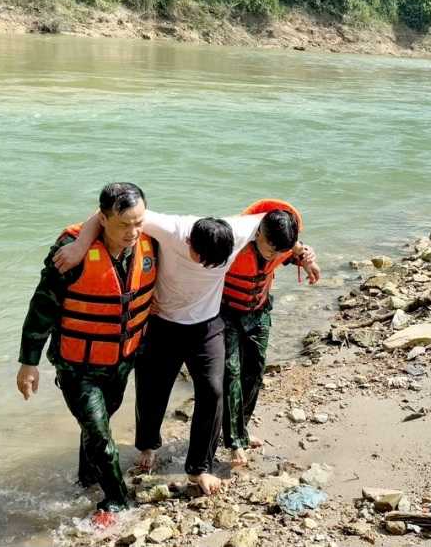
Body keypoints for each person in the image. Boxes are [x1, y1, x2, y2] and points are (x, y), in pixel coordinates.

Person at [52, 205, 316, 495]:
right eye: (203, 260)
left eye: (217, 264)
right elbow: (109, 214)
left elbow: (281, 231)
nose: (208, 268)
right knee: (153, 389)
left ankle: (200, 467)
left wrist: (304, 256)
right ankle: (148, 446)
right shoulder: (174, 230)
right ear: (189, 244)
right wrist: (79, 246)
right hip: (163, 322)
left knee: (213, 390)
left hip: (207, 325)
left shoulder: (241, 231)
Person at [15, 182, 156, 513]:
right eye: (124, 225)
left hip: (121, 361)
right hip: (77, 366)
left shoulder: (151, 242)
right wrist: (28, 362)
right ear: (103, 219)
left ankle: (86, 480)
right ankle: (116, 502)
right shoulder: (69, 252)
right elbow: (41, 308)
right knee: (101, 438)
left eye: (139, 223)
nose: (133, 232)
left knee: (99, 427)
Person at [220, 200, 320, 468]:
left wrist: (308, 261)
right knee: (231, 373)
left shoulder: (284, 244)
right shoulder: (234, 241)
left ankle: (241, 428)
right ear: (259, 233)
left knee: (255, 370)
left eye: (280, 253)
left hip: (258, 311)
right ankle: (234, 442)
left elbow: (298, 250)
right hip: (225, 312)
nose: (272, 256)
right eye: (269, 250)